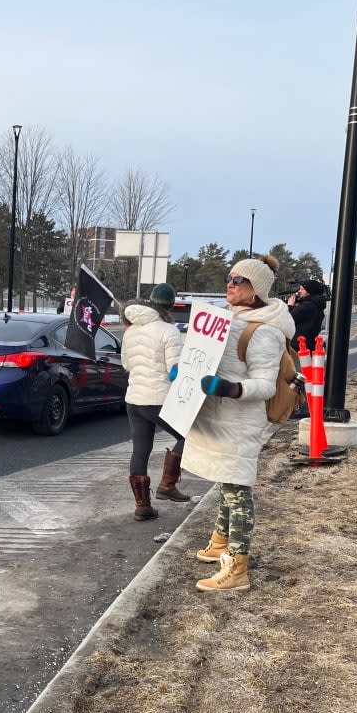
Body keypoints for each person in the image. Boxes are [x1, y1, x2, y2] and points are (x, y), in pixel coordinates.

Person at [182, 254, 295, 593]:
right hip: (220, 418)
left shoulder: (265, 333)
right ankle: (219, 542)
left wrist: (231, 388)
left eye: (238, 280)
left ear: (256, 290)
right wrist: (186, 372)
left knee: (237, 490)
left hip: (241, 421)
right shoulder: (227, 320)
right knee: (225, 481)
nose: (229, 283)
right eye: (229, 277)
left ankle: (237, 568)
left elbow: (265, 384)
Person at [120, 284, 189, 522]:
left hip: (134, 399)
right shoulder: (169, 331)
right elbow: (175, 370)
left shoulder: (131, 331)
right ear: (170, 305)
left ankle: (142, 506)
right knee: (188, 435)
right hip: (158, 399)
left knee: (140, 451)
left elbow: (127, 365)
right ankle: (167, 485)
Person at [285, 279, 328, 352]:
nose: (299, 291)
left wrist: (290, 306)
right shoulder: (317, 305)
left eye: (302, 289)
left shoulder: (307, 306)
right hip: (309, 345)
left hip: (298, 347)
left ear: (309, 291)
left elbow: (287, 319)